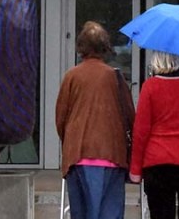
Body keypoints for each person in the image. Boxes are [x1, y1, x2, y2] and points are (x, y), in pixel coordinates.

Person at [55, 21, 135, 219]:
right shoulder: (115, 78)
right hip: (112, 156)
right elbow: (130, 117)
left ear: (81, 47)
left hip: (77, 156)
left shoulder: (71, 77)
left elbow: (60, 118)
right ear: (105, 47)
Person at [129, 49, 179, 219]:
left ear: (157, 59)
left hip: (158, 159)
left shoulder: (150, 86)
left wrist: (135, 168)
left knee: (161, 212)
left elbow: (141, 130)